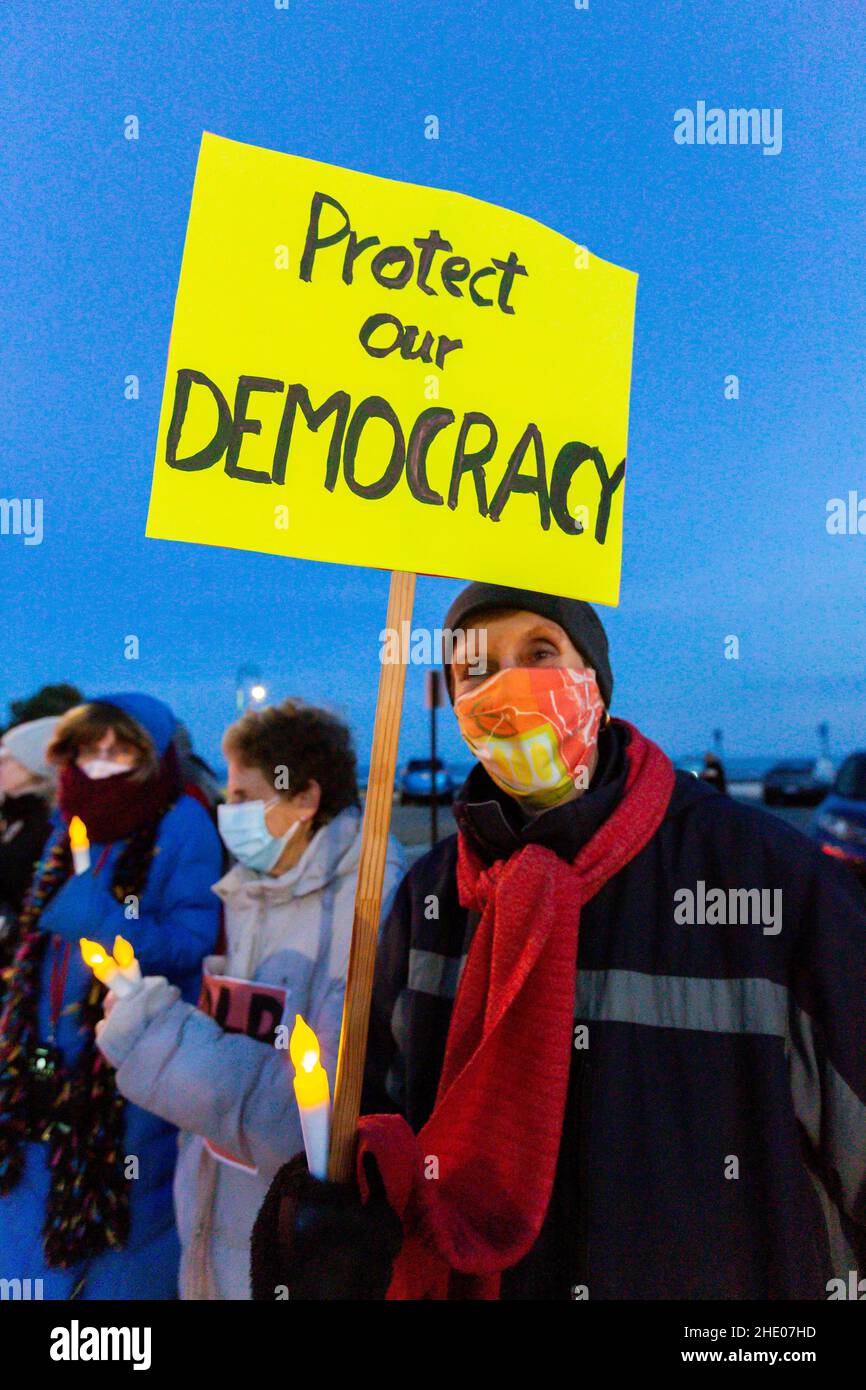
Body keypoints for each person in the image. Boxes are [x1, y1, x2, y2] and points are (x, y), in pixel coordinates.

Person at [251, 582, 866, 1301]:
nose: (507, 683)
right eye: (474, 668)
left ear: (595, 683)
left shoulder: (766, 881)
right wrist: (333, 1223)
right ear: (452, 700)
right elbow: (384, 1134)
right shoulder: (429, 902)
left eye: (540, 652)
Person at [95, 699, 404, 1299]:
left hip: (282, 1252)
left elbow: (306, 1125)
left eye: (243, 796)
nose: (225, 811)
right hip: (212, 1232)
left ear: (306, 799)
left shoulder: (365, 912)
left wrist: (151, 1032)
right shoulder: (248, 897)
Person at [0, 693, 222, 1299]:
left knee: (124, 1218)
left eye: (120, 748)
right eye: (90, 748)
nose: (102, 761)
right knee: (23, 1195)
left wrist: (105, 921)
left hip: (125, 1063)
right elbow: (39, 944)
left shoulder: (181, 822)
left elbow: (192, 943)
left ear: (149, 756)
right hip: (40, 1055)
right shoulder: (64, 819)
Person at [0, 717, 58, 979]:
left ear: (33, 767)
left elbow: (131, 899)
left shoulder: (47, 826)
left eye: (6, 760)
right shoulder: (15, 820)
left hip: (32, 960)